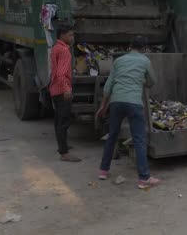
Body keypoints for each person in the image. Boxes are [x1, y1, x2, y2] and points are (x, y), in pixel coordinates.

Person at [96, 36, 160, 189]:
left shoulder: (119, 61)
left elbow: (109, 85)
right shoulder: (145, 61)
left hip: (116, 102)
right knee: (139, 139)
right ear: (144, 48)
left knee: (112, 136)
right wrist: (141, 81)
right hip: (133, 103)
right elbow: (152, 81)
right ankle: (144, 178)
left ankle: (103, 171)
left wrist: (103, 106)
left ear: (130, 46)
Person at [49, 24, 81, 162]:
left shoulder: (55, 47)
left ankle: (62, 145)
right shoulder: (64, 51)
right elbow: (61, 74)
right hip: (62, 90)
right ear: (62, 35)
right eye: (70, 35)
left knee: (58, 120)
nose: (72, 38)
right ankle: (64, 153)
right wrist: (67, 89)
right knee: (64, 121)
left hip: (55, 89)